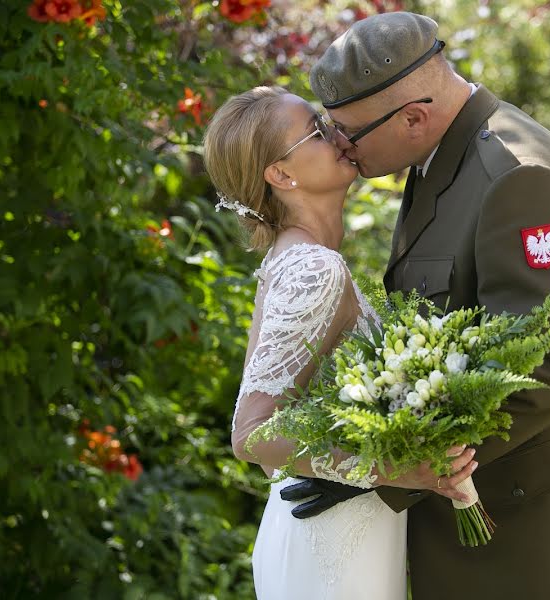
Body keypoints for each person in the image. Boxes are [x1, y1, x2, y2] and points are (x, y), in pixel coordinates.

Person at [285, 11, 550, 599]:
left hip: (549, 548)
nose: (338, 146)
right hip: (502, 538)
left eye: (348, 132)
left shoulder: (519, 180)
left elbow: (540, 373)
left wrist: (386, 470)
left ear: (413, 117)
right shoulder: (447, 157)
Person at [202, 86, 477, 600]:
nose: (339, 134)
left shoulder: (297, 259)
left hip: (339, 527)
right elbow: (252, 436)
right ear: (281, 176)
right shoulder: (312, 269)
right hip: (330, 547)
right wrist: (396, 469)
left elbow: (275, 445)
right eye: (316, 130)